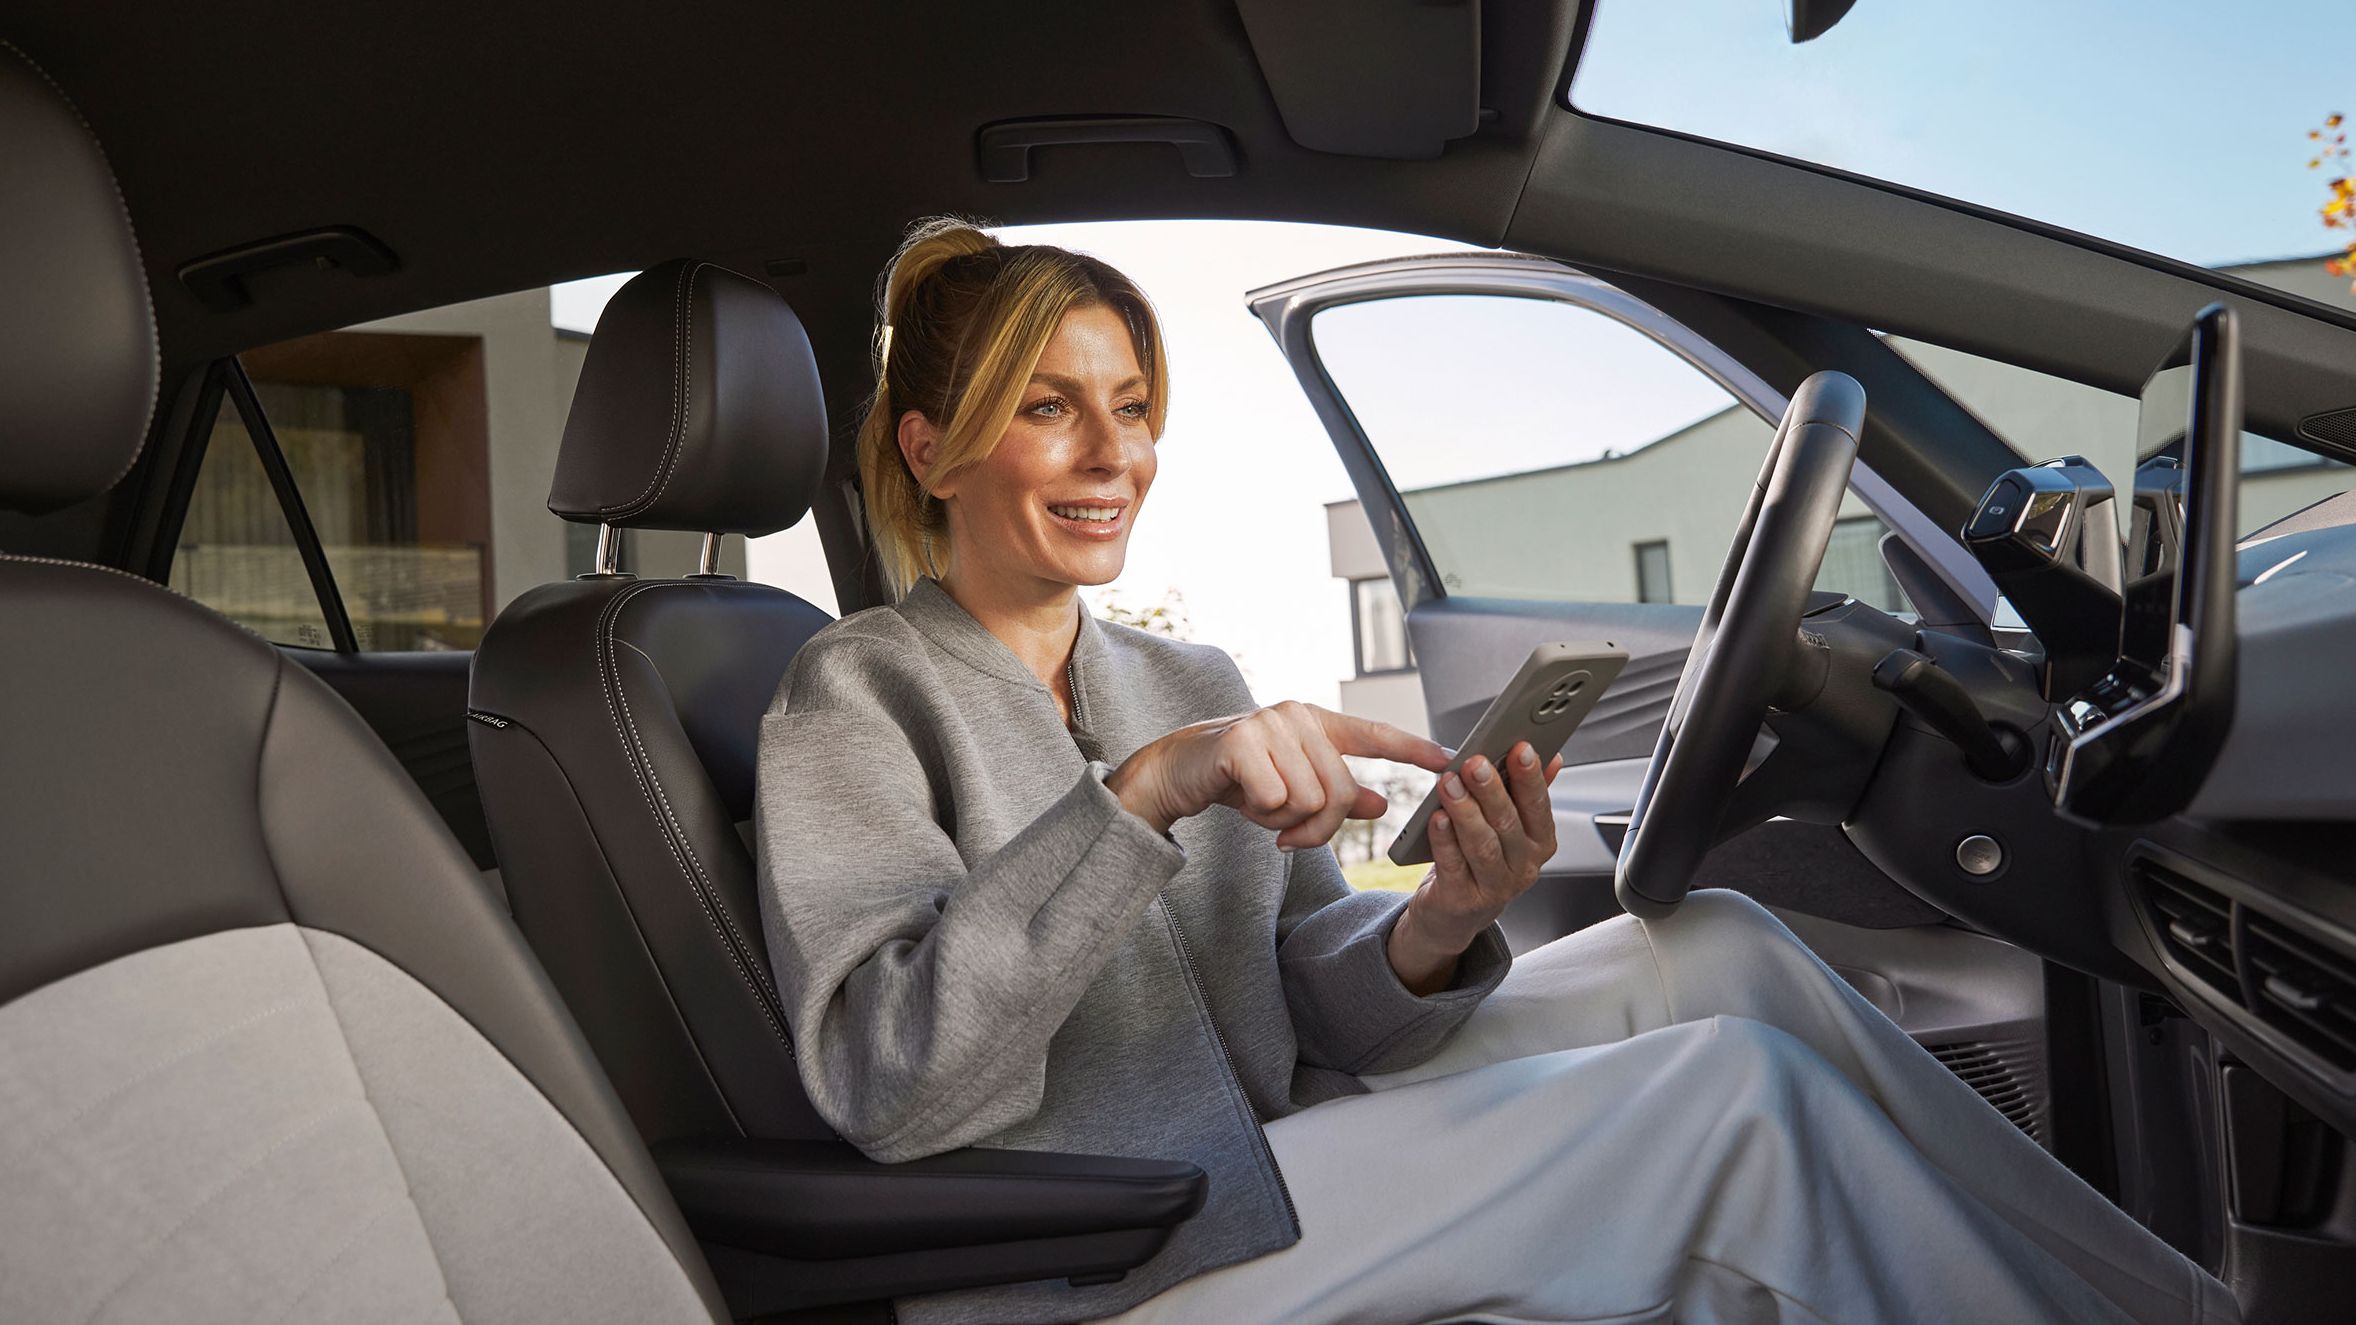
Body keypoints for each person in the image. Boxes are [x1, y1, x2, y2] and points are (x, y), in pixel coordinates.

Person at [753, 218, 2238, 1325]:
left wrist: (1440, 919)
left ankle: (2172, 1308)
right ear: (931, 448)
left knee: (1726, 948)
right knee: (1730, 1101)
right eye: (1047, 405)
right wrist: (1140, 797)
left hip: (1277, 1139)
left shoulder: (1181, 677)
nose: (1112, 451)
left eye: (1131, 403)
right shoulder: (856, 694)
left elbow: (1307, 1006)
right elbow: (896, 1085)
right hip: (1098, 1249)